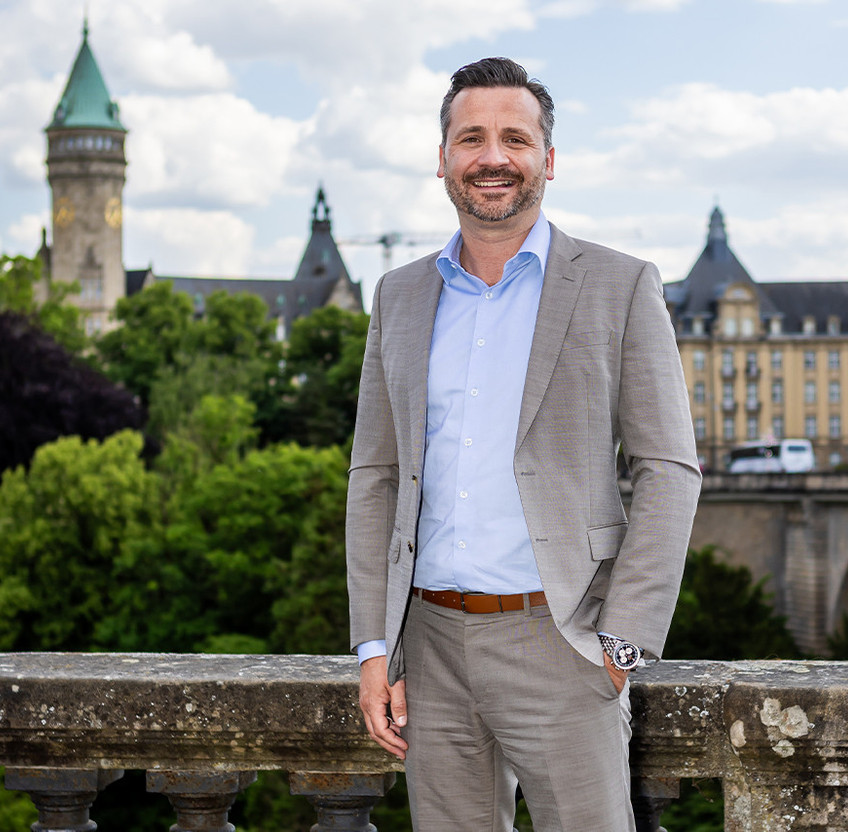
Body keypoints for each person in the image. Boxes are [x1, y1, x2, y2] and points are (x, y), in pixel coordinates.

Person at [346, 56, 701, 831]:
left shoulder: (619, 284)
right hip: (429, 643)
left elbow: (669, 468)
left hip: (561, 640)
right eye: (471, 138)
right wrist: (375, 646)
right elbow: (375, 475)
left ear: (547, 159)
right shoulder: (398, 295)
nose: (492, 158)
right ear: (442, 159)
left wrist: (621, 645)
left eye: (515, 138)